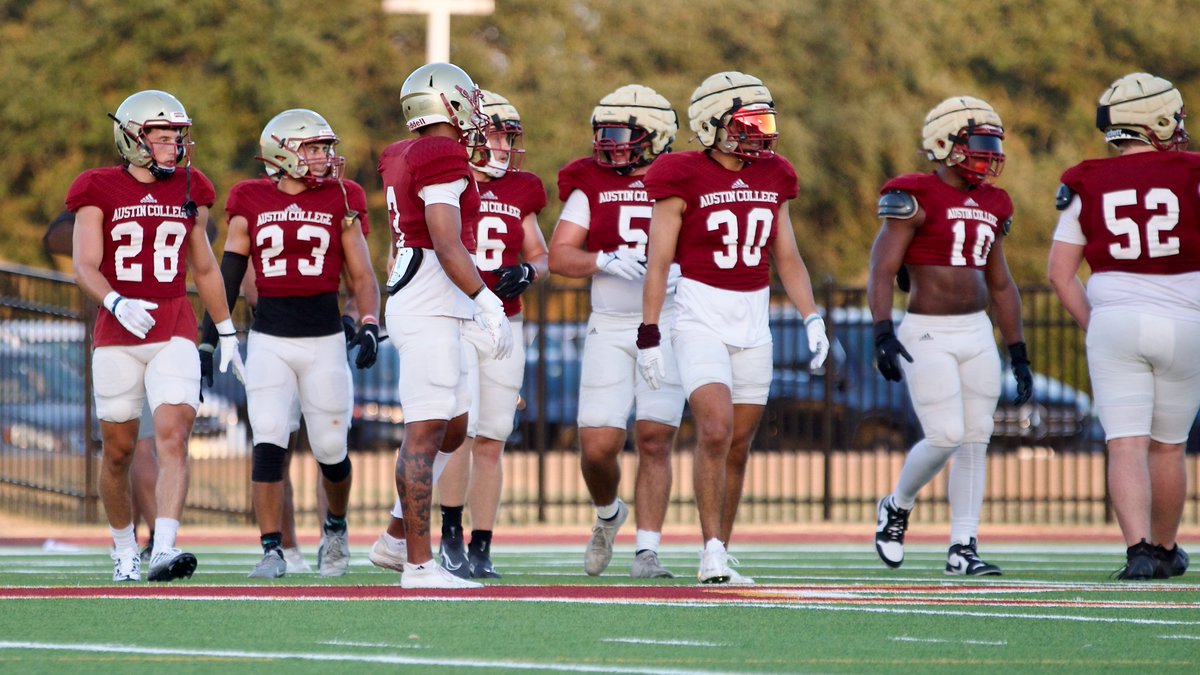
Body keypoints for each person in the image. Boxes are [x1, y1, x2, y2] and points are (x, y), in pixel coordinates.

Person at [638, 71, 829, 584]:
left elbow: (787, 256)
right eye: (746, 123)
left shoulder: (775, 175)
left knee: (739, 444)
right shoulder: (680, 174)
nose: (759, 133)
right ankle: (711, 552)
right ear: (709, 125)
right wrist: (650, 334)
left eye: (763, 121)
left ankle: (722, 544)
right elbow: (658, 263)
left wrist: (812, 316)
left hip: (754, 322)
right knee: (716, 429)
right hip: (699, 316)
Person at [67, 89, 245, 582]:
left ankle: (164, 546)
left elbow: (205, 267)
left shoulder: (193, 187)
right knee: (119, 450)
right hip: (117, 327)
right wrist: (116, 301)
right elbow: (84, 264)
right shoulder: (97, 187)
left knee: (174, 437)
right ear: (132, 139)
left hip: (173, 322)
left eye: (177, 138)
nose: (174, 147)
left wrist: (225, 328)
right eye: (163, 138)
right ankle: (124, 547)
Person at [200, 108, 379, 579]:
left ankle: (335, 529)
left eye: (325, 148)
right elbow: (231, 274)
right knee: (269, 442)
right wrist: (209, 335)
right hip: (269, 339)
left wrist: (369, 321)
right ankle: (271, 549)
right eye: (314, 148)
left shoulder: (342, 196)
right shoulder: (248, 198)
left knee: (330, 450)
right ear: (283, 152)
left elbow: (362, 273)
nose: (325, 157)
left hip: (323, 339)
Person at [868, 96, 1031, 576]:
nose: (988, 154)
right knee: (945, 435)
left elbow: (1000, 282)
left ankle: (963, 546)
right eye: (978, 144)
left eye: (992, 145)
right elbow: (882, 269)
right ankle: (897, 505)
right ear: (944, 144)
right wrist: (882, 330)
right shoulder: (912, 194)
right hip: (928, 332)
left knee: (976, 438)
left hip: (977, 331)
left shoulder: (995, 203)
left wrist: (1017, 349)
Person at [1047, 72, 1195, 580]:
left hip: (1114, 316)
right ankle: (1165, 547)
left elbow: (1059, 273)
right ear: (1156, 121)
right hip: (1185, 319)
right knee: (1168, 445)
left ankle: (1138, 552)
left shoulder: (1084, 178)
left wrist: (1097, 324)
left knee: (1125, 442)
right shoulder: (1192, 171)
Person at [376, 62, 513, 590]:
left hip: (433, 301)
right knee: (426, 431)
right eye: (469, 100)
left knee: (454, 428)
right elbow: (444, 238)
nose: (477, 111)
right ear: (447, 103)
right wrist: (487, 300)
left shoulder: (402, 152)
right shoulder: (441, 152)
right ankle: (416, 565)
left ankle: (393, 537)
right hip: (431, 302)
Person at [548, 84, 684, 579]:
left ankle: (647, 550)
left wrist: (690, 271)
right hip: (609, 322)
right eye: (604, 133)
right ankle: (608, 513)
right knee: (598, 447)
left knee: (653, 437)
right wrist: (602, 259)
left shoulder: (684, 178)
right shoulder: (591, 182)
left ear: (657, 136)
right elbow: (558, 254)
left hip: (667, 320)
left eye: (622, 134)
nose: (610, 143)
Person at [436, 90, 549, 579]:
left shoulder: (522, 189)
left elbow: (542, 254)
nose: (504, 146)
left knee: (492, 437)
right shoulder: (447, 183)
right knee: (460, 431)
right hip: (459, 321)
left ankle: (482, 545)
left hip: (507, 322)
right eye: (496, 134)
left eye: (508, 136)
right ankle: (450, 537)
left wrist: (529, 272)